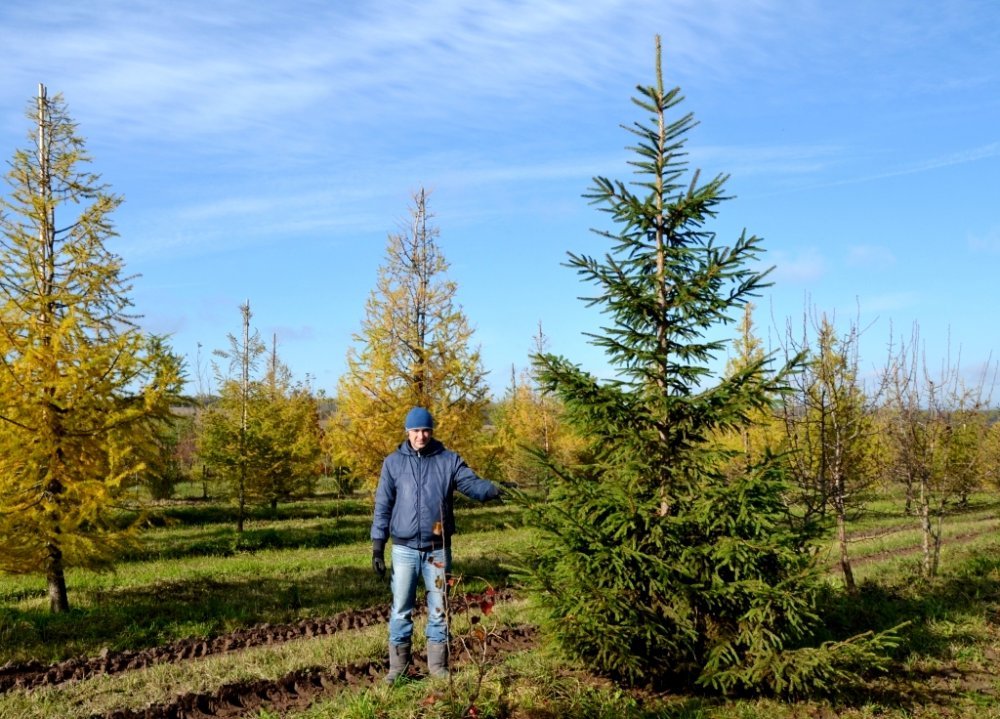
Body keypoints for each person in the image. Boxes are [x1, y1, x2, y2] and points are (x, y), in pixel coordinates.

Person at [371, 406, 500, 683]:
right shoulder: (393, 463)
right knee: (401, 608)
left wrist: (492, 489)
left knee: (440, 608)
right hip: (404, 549)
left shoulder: (448, 460)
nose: (421, 436)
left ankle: (438, 668)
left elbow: (471, 484)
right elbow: (383, 506)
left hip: (437, 550)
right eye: (416, 430)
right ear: (407, 431)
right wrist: (377, 547)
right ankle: (398, 669)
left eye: (426, 430)